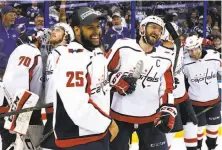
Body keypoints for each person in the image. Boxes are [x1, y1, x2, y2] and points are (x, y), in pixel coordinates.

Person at [49, 7, 118, 150]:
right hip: (79, 139)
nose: (96, 31)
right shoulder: (72, 59)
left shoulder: (93, 52)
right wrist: (108, 123)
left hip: (96, 132)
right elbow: (78, 107)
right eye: (90, 27)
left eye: (98, 27)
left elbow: (96, 88)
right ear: (77, 30)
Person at [107, 15, 177, 150]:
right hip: (119, 117)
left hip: (151, 118)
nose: (156, 32)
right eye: (153, 27)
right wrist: (115, 81)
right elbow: (102, 72)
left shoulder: (165, 58)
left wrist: (167, 109)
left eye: (160, 30)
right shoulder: (123, 46)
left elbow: (167, 88)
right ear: (142, 29)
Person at [1, 30, 44, 150]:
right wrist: (37, 106)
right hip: (23, 101)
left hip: (4, 98)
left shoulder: (16, 50)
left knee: (8, 140)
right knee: (29, 140)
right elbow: (36, 86)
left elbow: (7, 75)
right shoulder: (36, 54)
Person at [161, 22, 198, 150]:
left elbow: (195, 43)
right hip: (170, 100)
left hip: (183, 97)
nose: (178, 36)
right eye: (175, 33)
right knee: (169, 133)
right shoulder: (159, 53)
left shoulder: (181, 46)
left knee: (192, 126)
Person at [183, 35, 221, 150]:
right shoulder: (185, 63)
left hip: (214, 102)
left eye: (194, 49)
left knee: (213, 128)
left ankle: (211, 147)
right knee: (198, 129)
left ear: (200, 46)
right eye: (189, 50)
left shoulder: (214, 57)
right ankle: (198, 147)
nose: (192, 53)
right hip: (195, 103)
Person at [41, 22, 74, 150]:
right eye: (53, 29)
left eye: (59, 30)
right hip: (53, 108)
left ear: (67, 35)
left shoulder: (64, 53)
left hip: (59, 110)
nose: (53, 31)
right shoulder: (54, 53)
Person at [0, 6, 19, 77]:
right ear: (3, 15)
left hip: (12, 68)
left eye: (14, 15)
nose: (13, 17)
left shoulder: (15, 31)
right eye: (10, 15)